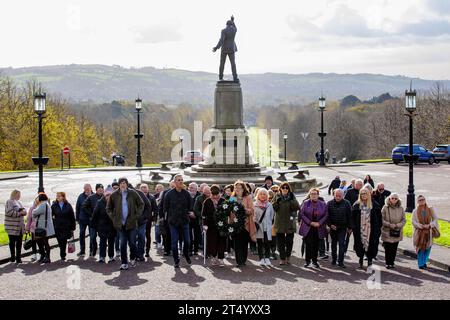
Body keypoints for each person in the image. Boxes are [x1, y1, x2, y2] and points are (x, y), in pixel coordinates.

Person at [107, 177, 144, 271]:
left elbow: (141, 204)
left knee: (132, 243)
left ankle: (132, 258)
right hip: (120, 224)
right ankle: (124, 262)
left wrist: (136, 215)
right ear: (119, 185)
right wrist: (114, 218)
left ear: (127, 184)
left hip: (131, 223)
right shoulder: (114, 195)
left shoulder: (132, 193)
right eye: (121, 183)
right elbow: (108, 208)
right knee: (122, 244)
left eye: (124, 183)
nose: (123, 184)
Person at [162, 174, 194, 268]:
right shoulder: (169, 194)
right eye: (178, 180)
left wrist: (189, 212)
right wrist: (167, 217)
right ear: (175, 182)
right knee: (174, 242)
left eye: (181, 180)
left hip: (184, 221)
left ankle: (185, 254)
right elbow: (165, 207)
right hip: (173, 222)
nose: (180, 181)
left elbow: (190, 205)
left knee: (187, 241)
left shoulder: (186, 193)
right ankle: (176, 260)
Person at [351, 187, 381, 269]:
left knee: (371, 244)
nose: (363, 195)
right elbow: (352, 218)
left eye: (365, 193)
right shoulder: (356, 205)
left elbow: (379, 219)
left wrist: (378, 229)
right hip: (359, 229)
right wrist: (353, 227)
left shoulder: (374, 205)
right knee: (359, 244)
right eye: (362, 194)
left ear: (368, 194)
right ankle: (360, 259)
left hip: (371, 229)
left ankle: (370, 260)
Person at [272, 182, 300, 266]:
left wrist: (291, 200)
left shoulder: (292, 196)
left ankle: (288, 257)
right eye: (283, 187)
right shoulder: (277, 196)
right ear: (280, 188)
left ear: (289, 189)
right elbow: (274, 208)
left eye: (286, 188)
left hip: (290, 222)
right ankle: (282, 259)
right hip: (279, 222)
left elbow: (297, 207)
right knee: (280, 242)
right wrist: (277, 202)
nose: (285, 189)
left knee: (289, 242)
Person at [299, 188, 328, 268]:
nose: (313, 195)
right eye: (312, 194)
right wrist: (310, 222)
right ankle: (307, 261)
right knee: (308, 244)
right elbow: (302, 214)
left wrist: (319, 223)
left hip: (318, 227)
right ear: (310, 195)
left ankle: (315, 261)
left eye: (315, 194)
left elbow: (326, 215)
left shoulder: (323, 204)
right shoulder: (305, 203)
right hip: (308, 227)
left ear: (318, 195)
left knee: (316, 245)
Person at [231, 180, 256, 267]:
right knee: (237, 243)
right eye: (236, 188)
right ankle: (239, 261)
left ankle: (243, 260)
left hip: (246, 224)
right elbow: (229, 211)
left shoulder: (247, 197)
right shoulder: (232, 197)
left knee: (244, 243)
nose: (237, 189)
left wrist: (243, 209)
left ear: (243, 189)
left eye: (239, 188)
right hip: (235, 224)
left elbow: (251, 210)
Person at [412, 195, 439, 270]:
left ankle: (424, 262)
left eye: (423, 199)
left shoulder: (430, 209)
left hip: (429, 231)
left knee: (428, 248)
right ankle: (420, 264)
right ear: (417, 201)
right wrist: (421, 226)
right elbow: (413, 222)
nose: (422, 201)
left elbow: (435, 219)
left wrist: (430, 225)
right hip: (420, 232)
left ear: (425, 200)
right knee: (421, 248)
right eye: (420, 200)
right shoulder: (415, 211)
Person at [202, 185, 226, 266]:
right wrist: (204, 224)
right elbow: (204, 214)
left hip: (221, 225)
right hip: (211, 225)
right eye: (213, 194)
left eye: (217, 194)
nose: (215, 196)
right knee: (212, 241)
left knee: (221, 241)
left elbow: (227, 212)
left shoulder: (223, 200)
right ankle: (213, 257)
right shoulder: (207, 201)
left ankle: (221, 258)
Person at [327, 189, 352, 268]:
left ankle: (341, 261)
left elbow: (349, 216)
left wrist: (350, 227)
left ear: (343, 196)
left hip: (343, 227)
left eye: (339, 196)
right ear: (334, 195)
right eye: (336, 196)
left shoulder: (347, 203)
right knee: (333, 244)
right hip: (333, 227)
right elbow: (327, 216)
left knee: (342, 244)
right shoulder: (329, 203)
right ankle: (334, 260)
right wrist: (330, 225)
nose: (337, 197)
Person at [92, 185, 116, 263]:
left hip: (112, 226)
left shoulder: (115, 203)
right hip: (102, 226)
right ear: (104, 195)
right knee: (102, 242)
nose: (108, 197)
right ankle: (102, 257)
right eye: (107, 195)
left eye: (110, 195)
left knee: (111, 242)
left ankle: (111, 256)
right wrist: (94, 226)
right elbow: (95, 214)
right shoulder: (100, 203)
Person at [381, 193, 406, 269]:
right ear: (389, 199)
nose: (394, 200)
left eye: (396, 198)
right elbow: (381, 219)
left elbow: (404, 220)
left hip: (397, 231)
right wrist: (389, 224)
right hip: (387, 231)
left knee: (394, 248)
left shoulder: (401, 208)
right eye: (392, 198)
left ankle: (392, 262)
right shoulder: (385, 208)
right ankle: (388, 263)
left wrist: (397, 225)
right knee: (388, 248)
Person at [212, 15, 238, 82]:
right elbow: (235, 27)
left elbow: (222, 40)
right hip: (232, 49)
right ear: (231, 25)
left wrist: (216, 47)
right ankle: (235, 78)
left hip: (224, 49)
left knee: (222, 63)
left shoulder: (224, 31)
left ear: (226, 25)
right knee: (233, 64)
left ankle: (220, 77)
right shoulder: (234, 30)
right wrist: (233, 21)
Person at [51, 192, 76, 261]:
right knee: (60, 241)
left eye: (59, 196)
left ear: (63, 197)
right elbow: (50, 216)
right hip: (57, 227)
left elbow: (72, 217)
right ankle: (62, 252)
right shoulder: (54, 205)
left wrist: (73, 227)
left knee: (64, 241)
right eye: (57, 196)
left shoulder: (68, 205)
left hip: (66, 226)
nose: (58, 197)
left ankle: (62, 255)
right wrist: (54, 223)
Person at [253, 188, 275, 267]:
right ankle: (261, 258)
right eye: (261, 194)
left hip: (267, 227)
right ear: (258, 195)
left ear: (267, 196)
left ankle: (267, 258)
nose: (262, 196)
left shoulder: (269, 205)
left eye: (264, 194)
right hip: (259, 227)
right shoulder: (254, 204)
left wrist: (269, 223)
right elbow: (253, 217)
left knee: (267, 243)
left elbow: (272, 216)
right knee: (259, 243)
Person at [82, 183, 104, 257]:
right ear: (96, 189)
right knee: (92, 237)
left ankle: (101, 253)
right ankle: (94, 248)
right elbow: (84, 206)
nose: (100, 190)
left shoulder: (105, 197)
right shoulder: (91, 197)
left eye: (102, 189)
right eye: (99, 189)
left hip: (102, 222)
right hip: (93, 221)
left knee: (102, 238)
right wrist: (91, 214)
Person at [5, 189, 26, 264]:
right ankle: (12, 257)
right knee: (12, 242)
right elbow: (9, 212)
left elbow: (24, 210)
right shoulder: (9, 201)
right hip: (12, 227)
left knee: (19, 243)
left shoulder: (19, 202)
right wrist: (19, 213)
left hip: (19, 227)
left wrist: (23, 212)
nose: (19, 196)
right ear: (14, 194)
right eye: (18, 195)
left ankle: (18, 258)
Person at [32, 193, 55, 264]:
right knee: (43, 242)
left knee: (44, 242)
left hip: (43, 227)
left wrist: (34, 210)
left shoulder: (43, 204)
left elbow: (35, 212)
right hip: (45, 226)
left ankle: (46, 257)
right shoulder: (46, 204)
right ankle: (44, 256)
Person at [132, 184, 152, 262]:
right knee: (132, 239)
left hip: (141, 221)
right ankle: (134, 254)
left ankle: (140, 254)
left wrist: (144, 217)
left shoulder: (140, 193)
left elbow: (148, 205)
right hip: (132, 221)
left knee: (141, 237)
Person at [139, 183, 157, 258]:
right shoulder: (137, 197)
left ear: (148, 189)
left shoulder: (152, 198)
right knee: (140, 236)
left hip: (148, 220)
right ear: (140, 189)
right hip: (139, 220)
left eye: (145, 187)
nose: (144, 189)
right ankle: (140, 251)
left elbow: (155, 209)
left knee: (147, 235)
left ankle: (147, 250)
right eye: (142, 188)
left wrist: (154, 219)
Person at [75, 184, 93, 257]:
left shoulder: (94, 196)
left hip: (91, 219)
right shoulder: (80, 196)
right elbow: (77, 208)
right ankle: (82, 251)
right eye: (85, 189)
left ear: (91, 188)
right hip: (82, 219)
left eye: (88, 188)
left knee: (92, 235)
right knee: (81, 234)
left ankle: (91, 250)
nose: (87, 190)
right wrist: (77, 218)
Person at [158, 180, 176, 256]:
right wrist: (161, 216)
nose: (172, 188)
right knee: (167, 234)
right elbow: (161, 205)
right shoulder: (165, 193)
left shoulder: (180, 192)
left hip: (177, 217)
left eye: (174, 186)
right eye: (171, 186)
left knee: (175, 234)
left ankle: (174, 249)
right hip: (167, 217)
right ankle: (167, 250)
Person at [188, 182, 202, 256]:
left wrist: (196, 214)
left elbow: (201, 208)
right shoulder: (186, 195)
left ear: (196, 189)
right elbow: (183, 205)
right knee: (188, 235)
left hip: (197, 218)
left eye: (192, 187)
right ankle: (189, 250)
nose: (190, 189)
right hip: (188, 218)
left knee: (197, 234)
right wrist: (189, 213)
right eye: (189, 187)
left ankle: (196, 250)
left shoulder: (199, 196)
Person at [25, 196, 40, 262]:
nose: (37, 202)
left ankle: (41, 254)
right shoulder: (32, 208)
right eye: (36, 200)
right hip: (33, 228)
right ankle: (34, 254)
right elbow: (29, 219)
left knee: (41, 242)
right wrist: (27, 228)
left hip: (41, 228)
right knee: (33, 242)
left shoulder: (42, 207)